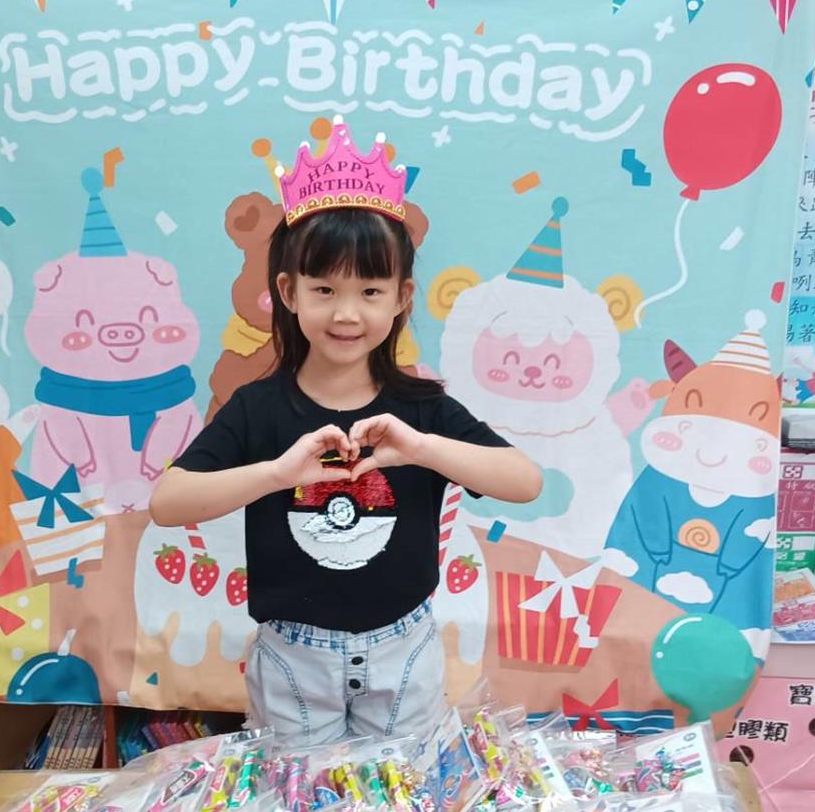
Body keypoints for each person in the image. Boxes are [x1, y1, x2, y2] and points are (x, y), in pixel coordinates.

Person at [150, 117, 542, 744]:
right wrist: (276, 474)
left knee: (402, 796)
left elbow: (524, 482)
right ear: (289, 292)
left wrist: (421, 450)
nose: (347, 312)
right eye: (324, 288)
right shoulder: (256, 408)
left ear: (402, 297)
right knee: (300, 798)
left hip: (403, 652)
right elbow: (168, 503)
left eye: (370, 290)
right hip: (292, 658)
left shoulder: (422, 410)